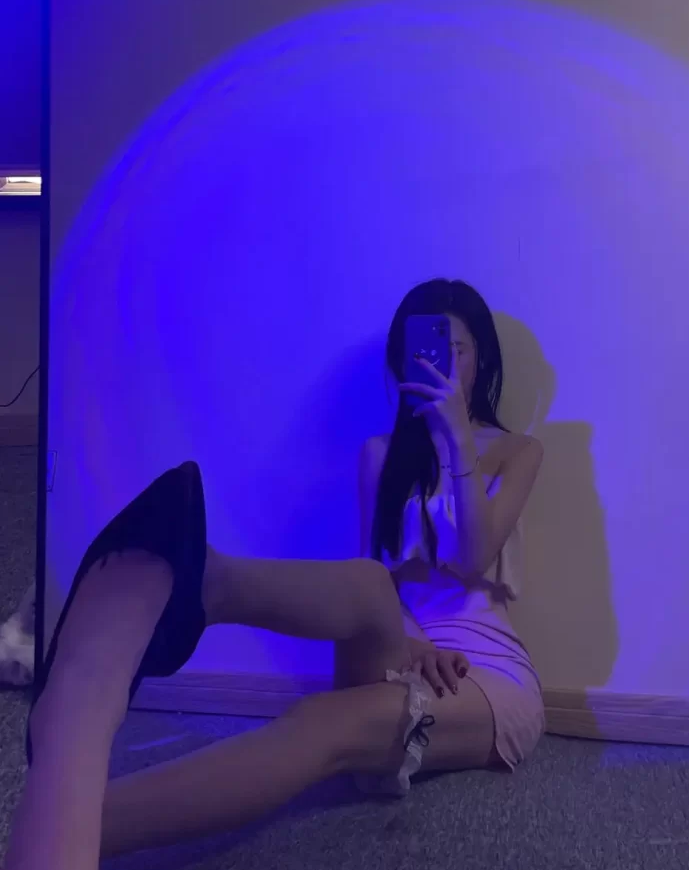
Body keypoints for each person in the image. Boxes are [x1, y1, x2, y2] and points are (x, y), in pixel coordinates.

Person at [5, 278, 544, 869]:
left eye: (455, 349)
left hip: (484, 677)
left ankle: (60, 826)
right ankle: (204, 583)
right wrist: (413, 641)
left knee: (320, 723)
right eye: (425, 349)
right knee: (367, 580)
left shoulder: (518, 451)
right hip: (402, 647)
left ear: (481, 359)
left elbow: (472, 557)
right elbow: (384, 585)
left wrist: (456, 437)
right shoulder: (379, 455)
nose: (441, 363)